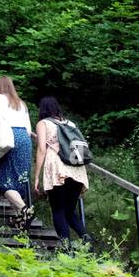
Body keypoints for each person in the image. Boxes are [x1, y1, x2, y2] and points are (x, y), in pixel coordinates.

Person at [34, 96, 92, 250]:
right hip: (77, 171)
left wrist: (36, 177)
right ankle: (87, 240)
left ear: (42, 109)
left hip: (58, 170)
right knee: (69, 211)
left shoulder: (43, 124)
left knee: (58, 210)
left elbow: (41, 149)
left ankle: (67, 250)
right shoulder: (70, 124)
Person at [0, 75, 34, 224]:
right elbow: (29, 130)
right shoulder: (21, 103)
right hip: (24, 139)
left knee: (5, 182)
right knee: (20, 178)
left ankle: (25, 209)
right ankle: (21, 219)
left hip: (8, 138)